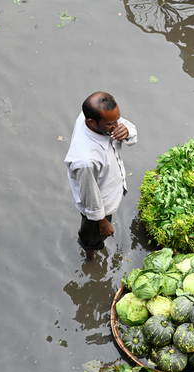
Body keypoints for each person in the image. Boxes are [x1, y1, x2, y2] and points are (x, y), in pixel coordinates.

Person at [64, 92, 138, 259]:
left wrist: (126, 132)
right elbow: (89, 197)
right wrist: (102, 222)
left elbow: (130, 132)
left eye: (118, 120)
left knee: (95, 233)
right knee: (92, 237)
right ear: (91, 122)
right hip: (98, 207)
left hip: (109, 183)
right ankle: (90, 257)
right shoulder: (85, 160)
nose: (117, 125)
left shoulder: (101, 120)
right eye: (111, 124)